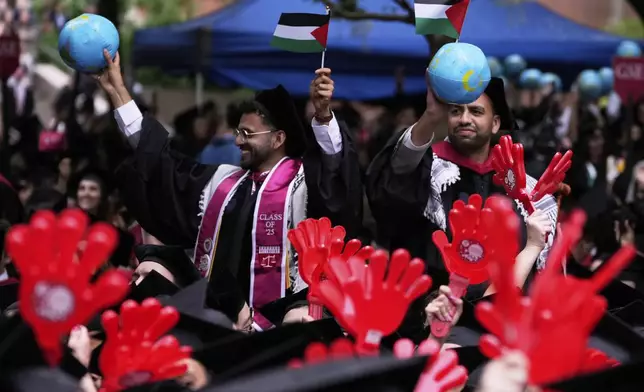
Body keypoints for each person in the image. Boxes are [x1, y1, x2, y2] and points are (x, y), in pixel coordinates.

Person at [95, 51, 363, 331]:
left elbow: (337, 176)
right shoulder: (221, 182)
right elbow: (161, 164)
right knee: (150, 271)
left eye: (247, 134)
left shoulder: (305, 186)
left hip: (282, 324)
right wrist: (119, 92)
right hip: (216, 320)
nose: (237, 141)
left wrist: (322, 115)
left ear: (278, 139)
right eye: (238, 131)